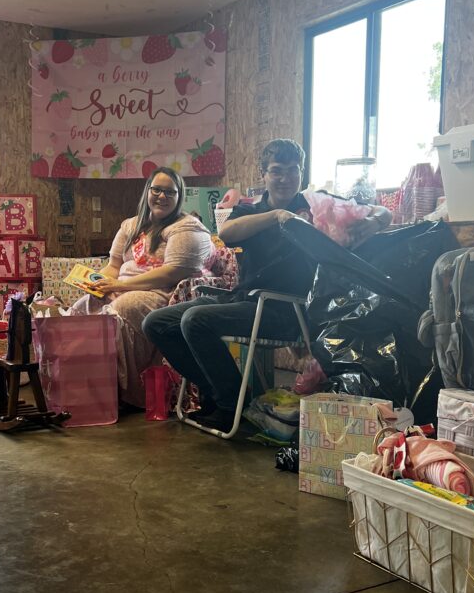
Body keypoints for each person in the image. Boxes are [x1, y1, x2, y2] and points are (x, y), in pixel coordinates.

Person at [142, 138, 392, 432]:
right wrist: (277, 217)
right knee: (156, 323)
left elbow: (381, 211)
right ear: (264, 174)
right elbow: (227, 231)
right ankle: (218, 392)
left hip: (288, 310)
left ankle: (232, 402)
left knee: (194, 320)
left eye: (292, 170)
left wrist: (376, 222)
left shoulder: (316, 205)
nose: (285, 178)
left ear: (301, 173)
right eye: (276, 170)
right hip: (245, 300)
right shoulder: (250, 211)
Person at [69, 167, 213, 407]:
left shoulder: (187, 228)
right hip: (124, 286)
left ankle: (121, 393)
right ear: (148, 191)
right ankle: (82, 385)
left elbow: (173, 272)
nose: (162, 196)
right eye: (157, 189)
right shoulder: (131, 226)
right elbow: (113, 265)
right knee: (85, 305)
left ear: (179, 198)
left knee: (123, 309)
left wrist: (120, 287)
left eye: (170, 192)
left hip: (161, 292)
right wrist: (98, 283)